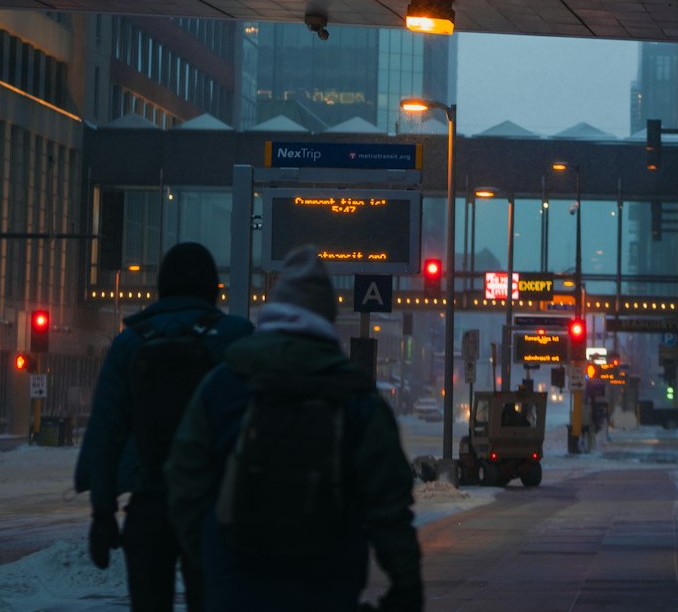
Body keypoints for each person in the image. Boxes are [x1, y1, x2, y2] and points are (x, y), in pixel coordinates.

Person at [165, 244, 423, 612]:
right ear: (326, 320)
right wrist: (405, 583)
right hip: (326, 585)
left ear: (274, 312)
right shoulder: (357, 398)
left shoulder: (224, 383)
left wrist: (208, 553)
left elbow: (183, 477)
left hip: (236, 583)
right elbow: (389, 504)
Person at [75, 242, 253, 612]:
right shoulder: (238, 338)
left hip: (149, 503)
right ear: (214, 291)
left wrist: (102, 512)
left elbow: (106, 431)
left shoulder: (130, 343)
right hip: (215, 510)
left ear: (161, 290)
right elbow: (261, 427)